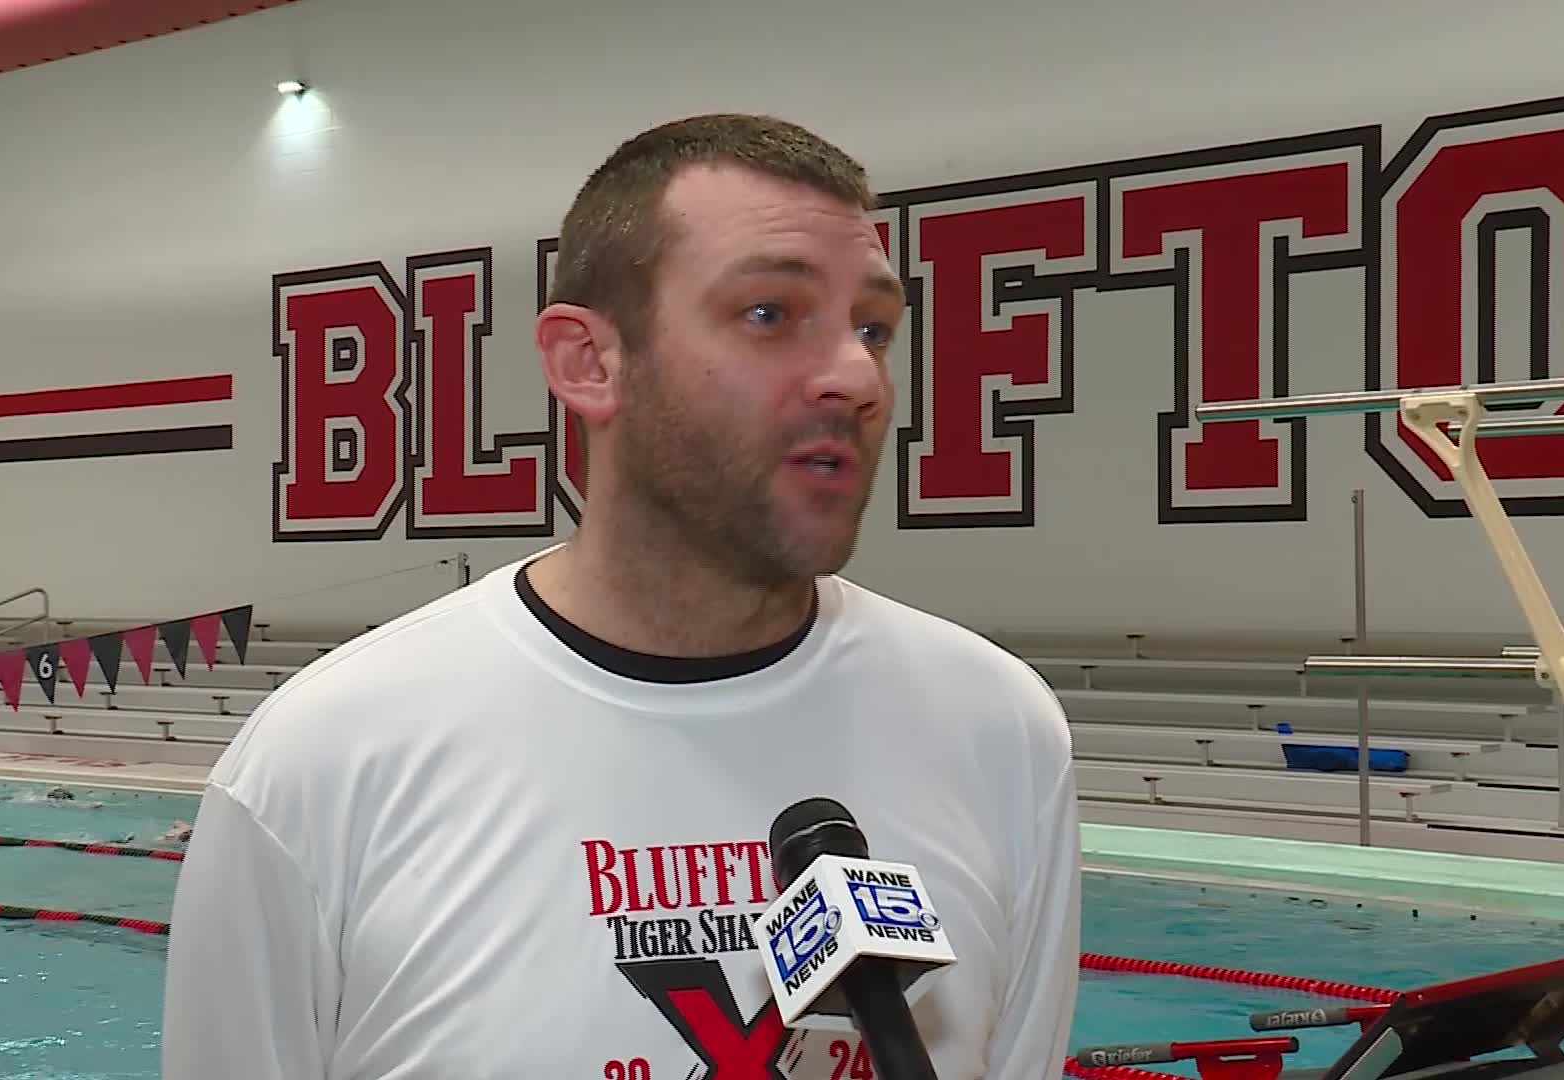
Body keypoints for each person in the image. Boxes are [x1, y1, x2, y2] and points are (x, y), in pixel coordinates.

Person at [161, 112, 1080, 1079]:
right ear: (587, 363)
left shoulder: (997, 729)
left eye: (874, 328)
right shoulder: (324, 766)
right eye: (769, 313)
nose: (856, 375)